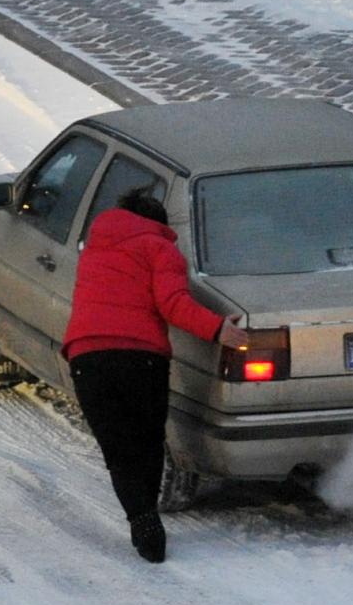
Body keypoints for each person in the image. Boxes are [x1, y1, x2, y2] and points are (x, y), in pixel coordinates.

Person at [63, 189, 253, 563]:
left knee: (117, 448)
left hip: (88, 356)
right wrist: (219, 329)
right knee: (147, 442)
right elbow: (173, 304)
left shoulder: (95, 247)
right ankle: (147, 520)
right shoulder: (160, 248)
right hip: (140, 357)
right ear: (157, 222)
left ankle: (142, 519)